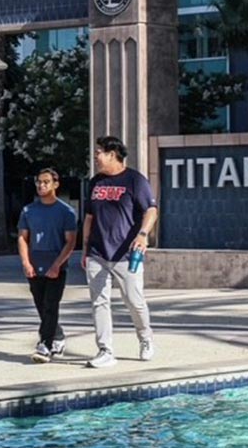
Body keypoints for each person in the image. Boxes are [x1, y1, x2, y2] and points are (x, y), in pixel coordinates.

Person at [82, 136, 158, 368]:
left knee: (134, 301)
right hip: (97, 252)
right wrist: (85, 249)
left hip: (126, 254)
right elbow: (89, 217)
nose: (95, 157)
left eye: (99, 153)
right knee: (99, 302)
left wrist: (143, 235)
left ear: (112, 154)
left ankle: (145, 339)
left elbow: (151, 210)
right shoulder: (95, 182)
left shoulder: (135, 180)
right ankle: (105, 350)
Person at [18, 168, 77, 363]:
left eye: (45, 182)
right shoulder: (28, 211)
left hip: (56, 266)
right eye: (38, 182)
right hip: (35, 265)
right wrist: (26, 262)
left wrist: (57, 265)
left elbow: (70, 241)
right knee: (41, 306)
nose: (41, 186)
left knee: (51, 305)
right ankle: (57, 336)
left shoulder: (66, 212)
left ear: (55, 184)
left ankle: (45, 344)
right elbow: (23, 238)